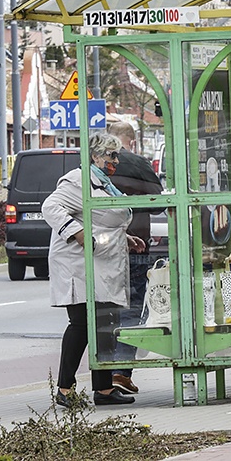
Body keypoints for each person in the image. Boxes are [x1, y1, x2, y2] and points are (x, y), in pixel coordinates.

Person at [43, 132, 146, 407]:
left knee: (104, 324)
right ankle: (65, 389)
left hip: (102, 263)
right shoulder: (78, 181)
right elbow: (50, 207)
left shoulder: (104, 184)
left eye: (116, 155)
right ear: (95, 156)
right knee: (81, 324)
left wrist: (124, 237)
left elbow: (103, 218)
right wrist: (76, 233)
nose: (115, 161)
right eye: (110, 155)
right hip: (78, 264)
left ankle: (103, 389)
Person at [105, 121, 164, 395]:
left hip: (101, 253)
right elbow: (159, 203)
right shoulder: (138, 163)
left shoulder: (97, 166)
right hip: (136, 248)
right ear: (132, 140)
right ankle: (120, 370)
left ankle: (104, 376)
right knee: (132, 310)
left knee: (106, 314)